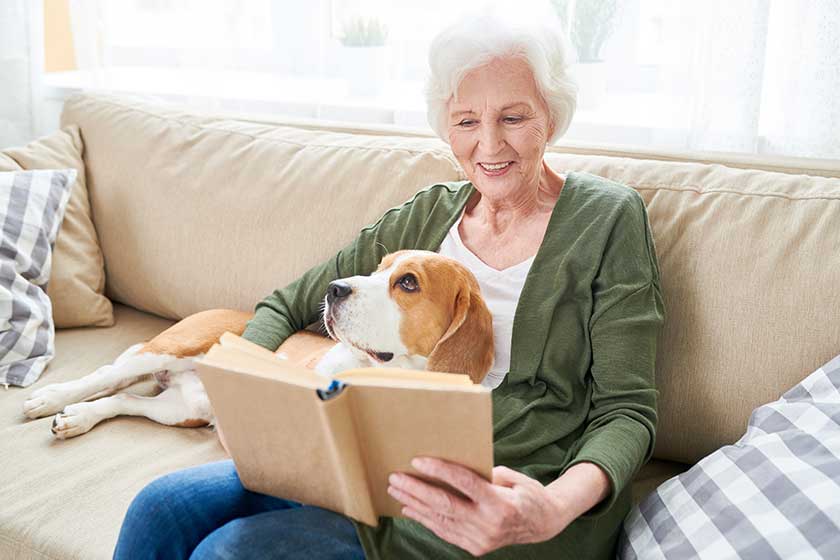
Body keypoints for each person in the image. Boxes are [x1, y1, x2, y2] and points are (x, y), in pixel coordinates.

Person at [113, 14, 664, 560]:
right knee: (160, 508)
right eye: (466, 121)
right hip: (374, 467)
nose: (489, 143)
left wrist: (552, 506)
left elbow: (627, 410)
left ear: (552, 115)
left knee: (228, 553)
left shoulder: (607, 218)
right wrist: (243, 399)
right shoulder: (425, 217)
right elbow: (287, 305)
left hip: (509, 500)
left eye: (513, 117)